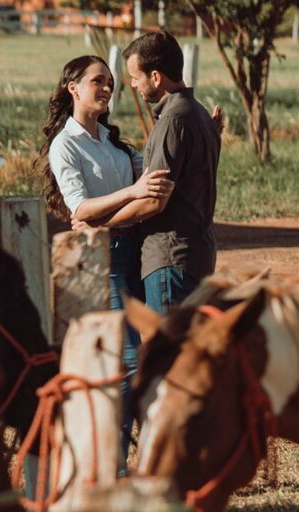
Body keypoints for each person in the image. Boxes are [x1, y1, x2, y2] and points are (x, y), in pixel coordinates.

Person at [41, 54, 171, 474]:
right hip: (104, 261)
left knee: (151, 357)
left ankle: (144, 457)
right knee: (126, 361)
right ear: (73, 88)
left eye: (110, 82)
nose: (107, 88)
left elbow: (154, 175)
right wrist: (132, 192)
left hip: (138, 253)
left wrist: (206, 136)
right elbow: (80, 208)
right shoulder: (66, 145)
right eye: (98, 81)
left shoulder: (114, 143)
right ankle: (112, 465)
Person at [118, 29, 221, 315]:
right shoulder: (199, 113)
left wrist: (102, 222)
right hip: (198, 254)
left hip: (170, 258)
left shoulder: (172, 122)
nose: (133, 85)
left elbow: (154, 201)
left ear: (155, 77)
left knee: (167, 341)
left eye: (136, 77)